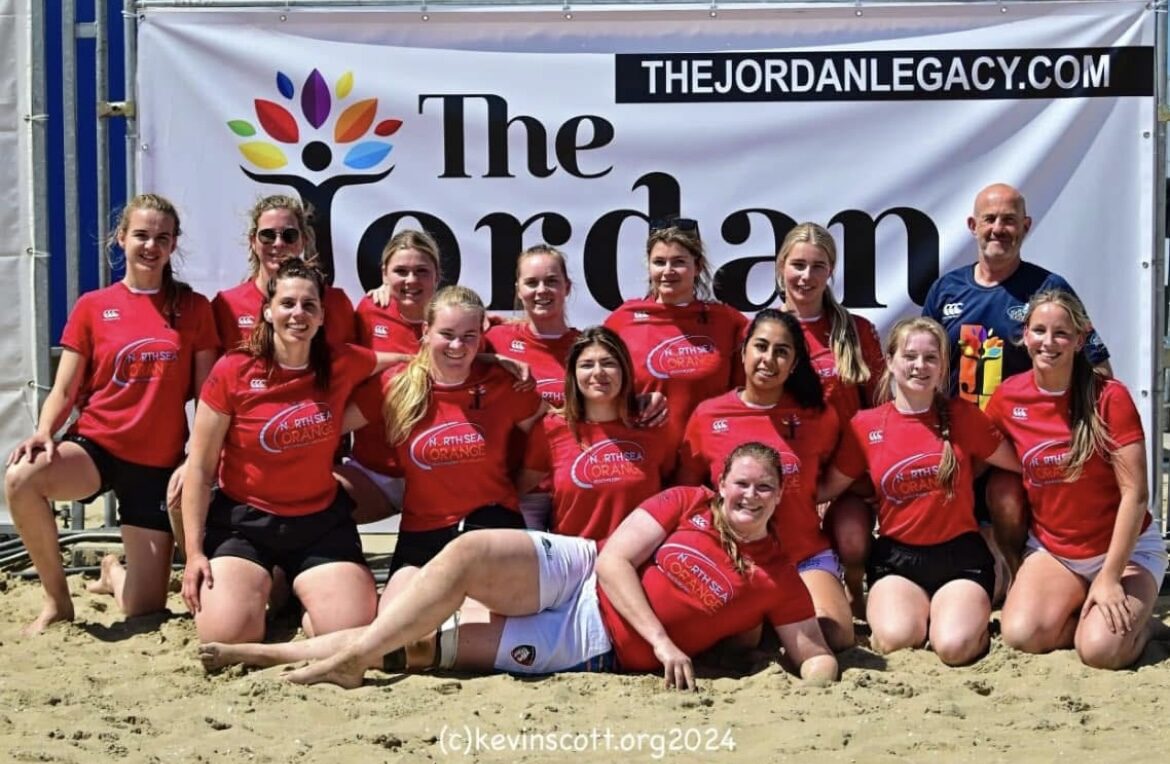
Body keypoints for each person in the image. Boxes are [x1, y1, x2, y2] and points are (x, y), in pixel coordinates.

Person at [198, 443, 839, 690]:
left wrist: (816, 678)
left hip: (594, 642)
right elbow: (616, 560)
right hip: (585, 572)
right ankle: (348, 659)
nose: (750, 496)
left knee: (420, 646)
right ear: (721, 483)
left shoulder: (777, 577)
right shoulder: (687, 501)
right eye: (740, 484)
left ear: (780, 496)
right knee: (470, 550)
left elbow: (813, 655)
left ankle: (265, 655)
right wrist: (665, 642)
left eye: (764, 488)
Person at [5, 193, 219, 634]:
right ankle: (57, 601)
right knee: (21, 477)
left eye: (162, 237)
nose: (151, 246)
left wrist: (194, 459)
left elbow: (207, 397)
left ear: (174, 244)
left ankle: (112, 571)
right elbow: (65, 387)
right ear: (121, 238)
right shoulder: (92, 305)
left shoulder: (194, 308)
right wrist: (44, 431)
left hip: (157, 466)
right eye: (141, 235)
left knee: (143, 608)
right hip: (97, 448)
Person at [180, 260, 400, 645]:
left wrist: (485, 349)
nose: (298, 313)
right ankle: (272, 581)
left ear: (321, 317)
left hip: (319, 522)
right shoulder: (234, 370)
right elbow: (199, 468)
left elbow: (408, 361)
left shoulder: (340, 362)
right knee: (228, 636)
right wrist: (195, 554)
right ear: (268, 311)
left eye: (309, 305)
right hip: (245, 520)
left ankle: (293, 589)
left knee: (347, 633)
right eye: (287, 304)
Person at [822, 318, 1020, 665]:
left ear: (943, 367)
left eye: (931, 358)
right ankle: (922, 612)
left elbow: (1020, 463)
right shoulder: (865, 426)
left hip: (962, 559)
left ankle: (981, 592)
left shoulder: (964, 416)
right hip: (897, 560)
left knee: (954, 648)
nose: (920, 366)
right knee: (896, 640)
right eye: (910, 356)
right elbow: (826, 489)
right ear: (890, 361)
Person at [985, 290, 1165, 670]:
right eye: (1039, 330)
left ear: (1080, 340)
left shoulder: (1109, 397)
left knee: (1100, 652)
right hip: (1055, 550)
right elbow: (976, 451)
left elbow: (1136, 494)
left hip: (1124, 551)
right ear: (1025, 335)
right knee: (1021, 635)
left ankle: (1143, 628)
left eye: (1062, 333)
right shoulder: (1008, 397)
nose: (1048, 342)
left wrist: (1110, 577)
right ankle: (1087, 615)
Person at [349, 286, 547, 603]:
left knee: (476, 620)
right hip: (423, 532)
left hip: (491, 527)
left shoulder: (504, 383)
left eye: (469, 336)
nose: (457, 345)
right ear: (426, 331)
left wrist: (526, 481)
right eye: (447, 334)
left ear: (481, 337)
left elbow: (555, 431)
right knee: (396, 620)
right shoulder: (396, 384)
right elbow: (328, 426)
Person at [676, 309, 852, 650]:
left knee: (835, 636)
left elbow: (835, 473)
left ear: (794, 363)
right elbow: (687, 491)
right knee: (737, 643)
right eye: (761, 346)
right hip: (735, 556)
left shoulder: (817, 416)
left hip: (803, 555)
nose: (768, 359)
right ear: (743, 352)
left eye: (781, 351)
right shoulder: (708, 415)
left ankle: (786, 613)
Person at [774, 222, 885, 613]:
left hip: (846, 475)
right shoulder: (764, 332)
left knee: (853, 540)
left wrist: (850, 480)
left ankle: (854, 586)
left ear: (831, 271)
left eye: (818, 266)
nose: (806, 276)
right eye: (798, 265)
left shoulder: (856, 331)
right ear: (781, 267)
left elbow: (880, 411)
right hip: (787, 478)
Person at [516, 327, 677, 540]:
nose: (598, 372)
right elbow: (519, 490)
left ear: (624, 370)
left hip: (638, 556)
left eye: (608, 363)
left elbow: (672, 490)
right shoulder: (551, 429)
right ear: (573, 374)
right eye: (586, 365)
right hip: (574, 556)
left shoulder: (652, 424)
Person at [603, 217, 748, 442]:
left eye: (679, 262)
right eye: (659, 262)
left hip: (711, 452)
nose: (668, 271)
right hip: (646, 452)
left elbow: (747, 393)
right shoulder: (622, 320)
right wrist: (628, 404)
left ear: (698, 266)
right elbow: (598, 394)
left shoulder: (727, 321)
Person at [342, 229, 441, 524]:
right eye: (401, 271)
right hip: (372, 473)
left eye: (421, 271)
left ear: (437, 276)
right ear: (384, 274)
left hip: (436, 475)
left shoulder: (453, 317)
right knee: (315, 502)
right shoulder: (369, 310)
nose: (411, 280)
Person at [212, 194, 355, 350]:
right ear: (253, 242)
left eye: (289, 235)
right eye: (268, 235)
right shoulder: (226, 305)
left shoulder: (336, 302)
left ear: (303, 241)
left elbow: (356, 360)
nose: (278, 243)